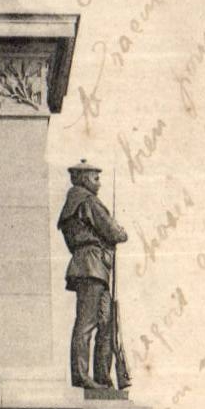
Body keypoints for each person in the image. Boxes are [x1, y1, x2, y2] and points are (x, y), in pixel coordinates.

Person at [57, 160, 131, 392]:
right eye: (95, 177)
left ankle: (102, 377)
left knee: (106, 322)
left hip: (95, 266)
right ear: (83, 179)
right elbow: (114, 232)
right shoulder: (86, 200)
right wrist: (120, 231)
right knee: (88, 322)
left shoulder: (76, 201)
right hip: (91, 265)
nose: (98, 182)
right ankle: (82, 376)